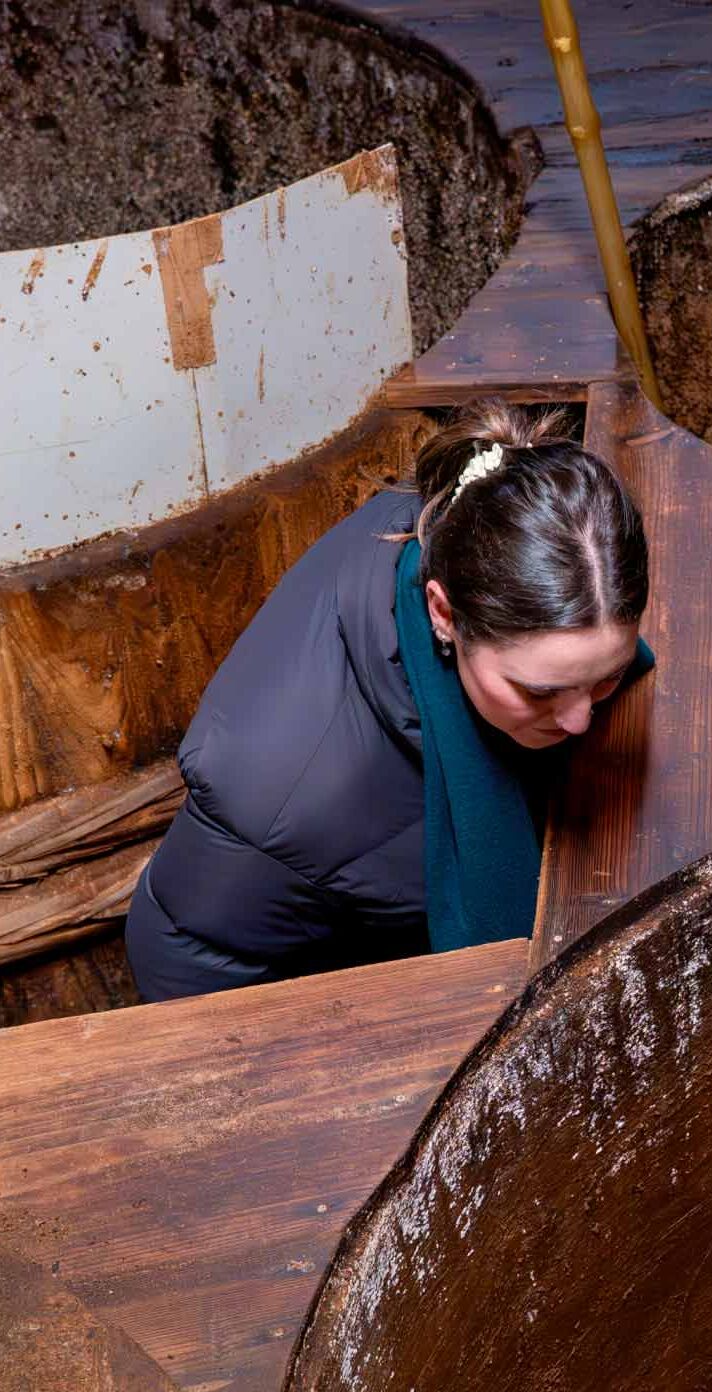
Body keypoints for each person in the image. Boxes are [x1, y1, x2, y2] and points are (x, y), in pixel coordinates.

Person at [125, 400, 650, 1001]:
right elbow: (184, 958)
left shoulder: (468, 523)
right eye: (541, 691)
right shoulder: (282, 791)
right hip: (271, 987)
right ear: (444, 614)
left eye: (606, 677)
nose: (581, 719)